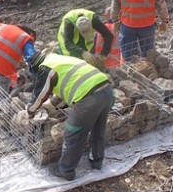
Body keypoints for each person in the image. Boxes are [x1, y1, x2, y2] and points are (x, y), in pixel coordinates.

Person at [27, 52, 115, 181]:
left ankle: (65, 170)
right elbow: (69, 87)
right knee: (98, 129)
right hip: (107, 92)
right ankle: (97, 161)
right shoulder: (59, 59)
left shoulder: (45, 67)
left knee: (72, 133)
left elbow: (40, 94)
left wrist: (30, 110)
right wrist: (52, 105)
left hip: (88, 99)